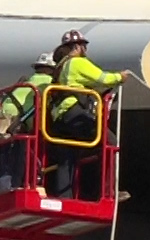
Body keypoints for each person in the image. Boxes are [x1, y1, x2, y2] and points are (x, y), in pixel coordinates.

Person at [48, 30, 129, 196]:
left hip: (61, 118)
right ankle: (109, 191)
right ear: (78, 47)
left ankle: (65, 198)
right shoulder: (77, 62)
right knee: (110, 141)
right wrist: (120, 77)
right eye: (84, 46)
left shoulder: (60, 67)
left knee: (67, 159)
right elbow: (102, 78)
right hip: (74, 113)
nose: (85, 49)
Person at [0, 53, 57, 193]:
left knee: (5, 155)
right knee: (15, 157)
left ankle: (3, 188)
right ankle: (8, 190)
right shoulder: (49, 83)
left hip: (3, 116)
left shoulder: (29, 80)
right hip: (16, 121)